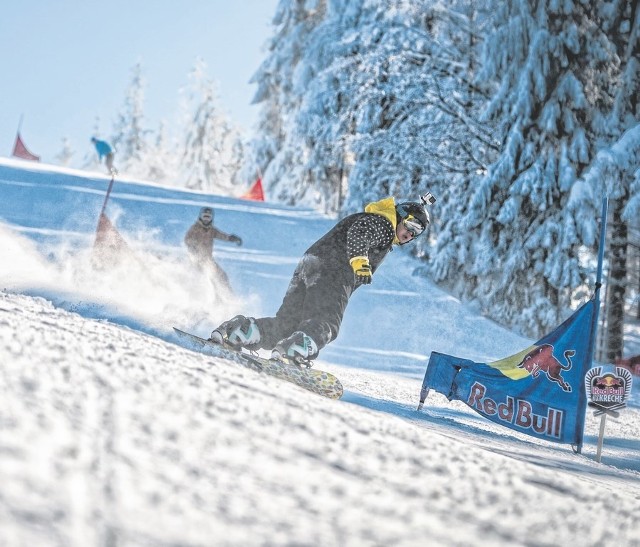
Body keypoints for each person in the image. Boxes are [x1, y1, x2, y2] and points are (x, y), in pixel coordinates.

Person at [211, 194, 433, 365]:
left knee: (287, 324)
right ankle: (291, 351)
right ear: (401, 215)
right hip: (334, 271)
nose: (410, 234)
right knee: (326, 324)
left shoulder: (380, 226)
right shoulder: (383, 223)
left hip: (309, 265)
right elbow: (359, 233)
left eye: (417, 233)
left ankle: (239, 331)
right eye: (411, 226)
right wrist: (359, 261)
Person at [185, 206, 242, 291]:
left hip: (208, 259)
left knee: (222, 276)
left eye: (208, 217)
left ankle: (227, 295)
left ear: (211, 218)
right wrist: (193, 248)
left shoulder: (212, 230)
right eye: (204, 217)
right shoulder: (195, 228)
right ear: (200, 217)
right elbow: (187, 239)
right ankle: (201, 294)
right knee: (206, 278)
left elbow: (222, 235)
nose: (206, 220)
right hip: (197, 259)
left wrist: (231, 238)